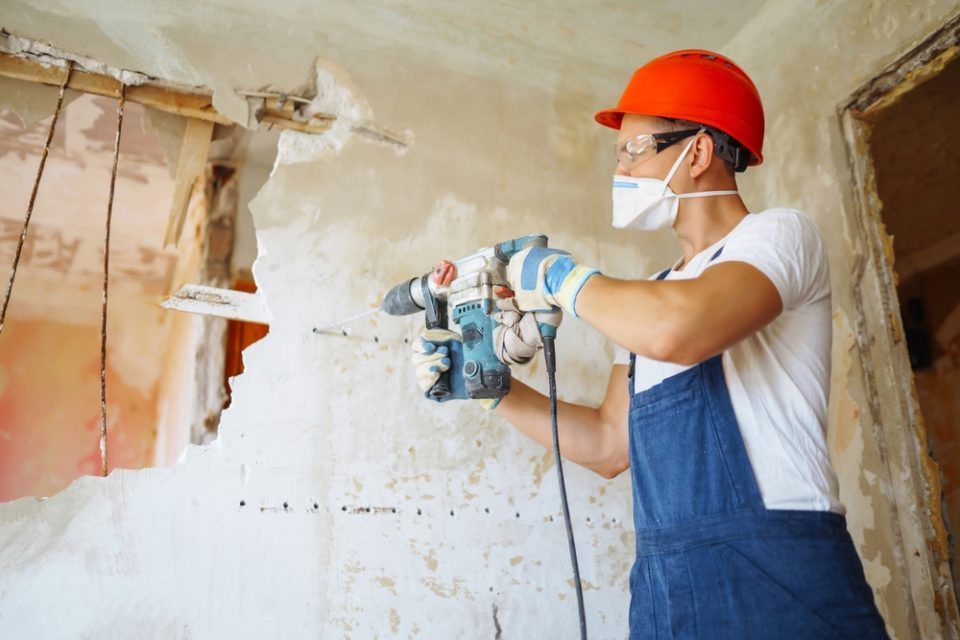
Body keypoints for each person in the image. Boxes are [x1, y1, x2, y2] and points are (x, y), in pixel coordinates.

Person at [411, 49, 888, 639]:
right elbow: (610, 445)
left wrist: (563, 278)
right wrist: (493, 390)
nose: (622, 172)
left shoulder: (777, 236)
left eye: (633, 151)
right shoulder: (656, 295)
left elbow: (679, 331)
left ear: (699, 152)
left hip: (775, 567)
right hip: (665, 583)